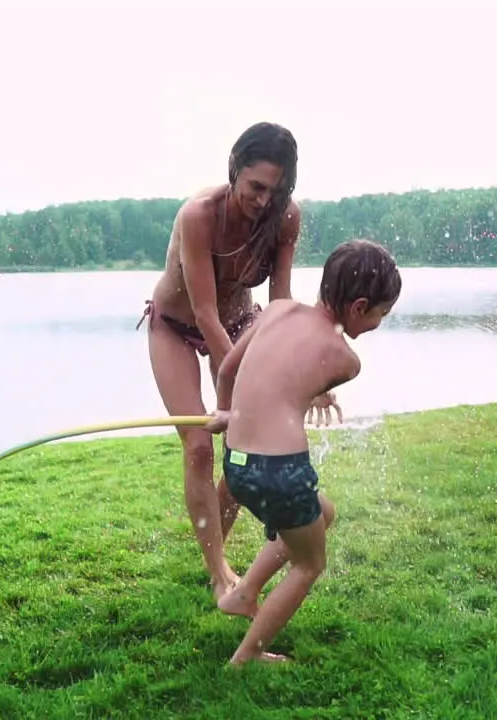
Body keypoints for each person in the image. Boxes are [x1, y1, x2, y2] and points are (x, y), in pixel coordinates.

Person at [203, 239, 403, 665]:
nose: (378, 324)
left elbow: (232, 369)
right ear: (359, 306)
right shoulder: (346, 359)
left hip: (237, 463)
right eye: (380, 314)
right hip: (281, 470)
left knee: (321, 513)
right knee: (309, 564)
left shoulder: (277, 310)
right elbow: (301, 379)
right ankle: (247, 658)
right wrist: (319, 394)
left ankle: (243, 594)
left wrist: (226, 413)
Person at [136, 122, 301, 604]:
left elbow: (280, 304)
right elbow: (204, 310)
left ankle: (216, 550)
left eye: (277, 189)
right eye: (256, 187)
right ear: (234, 171)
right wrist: (243, 379)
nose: (265, 200)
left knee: (243, 447)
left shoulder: (286, 219)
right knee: (199, 446)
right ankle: (218, 574)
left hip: (238, 327)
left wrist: (286, 366)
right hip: (177, 328)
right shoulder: (198, 216)